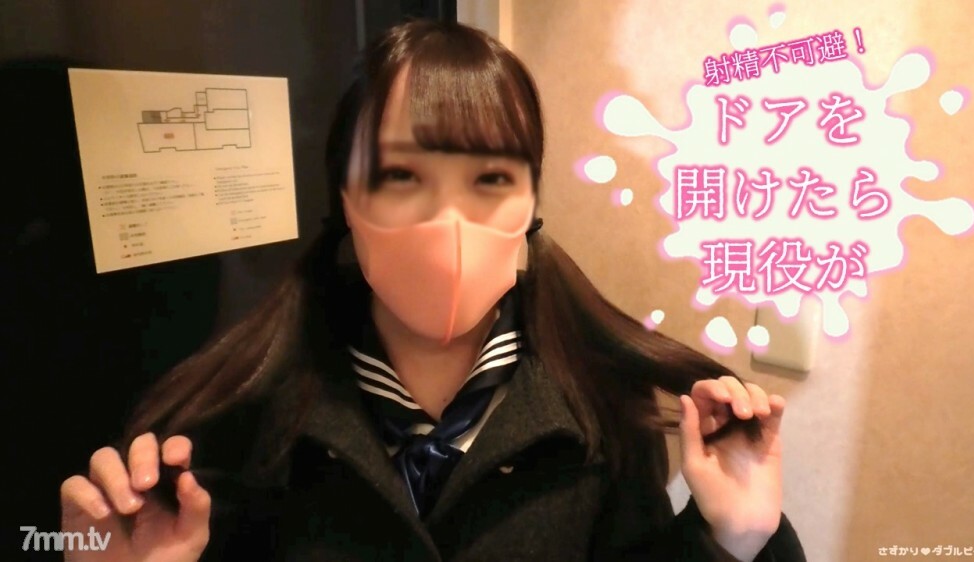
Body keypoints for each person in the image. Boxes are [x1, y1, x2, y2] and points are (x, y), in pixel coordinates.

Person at [60, 20, 806, 562]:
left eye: (491, 179)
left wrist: (733, 540)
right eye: (401, 176)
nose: (449, 222)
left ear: (530, 210)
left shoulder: (603, 408)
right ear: (345, 202)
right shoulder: (241, 427)